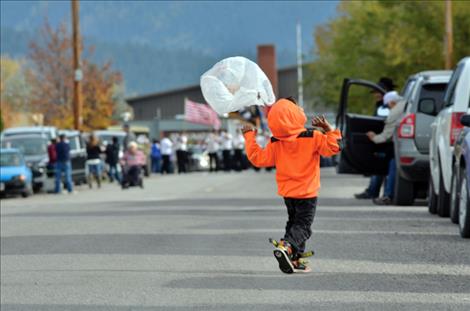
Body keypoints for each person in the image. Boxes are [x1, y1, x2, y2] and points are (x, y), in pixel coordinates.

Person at [242, 97, 342, 272]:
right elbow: (332, 149)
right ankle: (287, 246)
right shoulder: (313, 136)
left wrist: (250, 137)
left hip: (288, 192)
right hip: (307, 192)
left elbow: (258, 159)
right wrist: (329, 130)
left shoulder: (276, 142)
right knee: (303, 226)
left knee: (294, 223)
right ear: (296, 114)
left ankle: (294, 259)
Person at [355, 77, 397, 200]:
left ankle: (380, 192)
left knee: (382, 167)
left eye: (377, 92)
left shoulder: (386, 107)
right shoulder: (381, 106)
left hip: (387, 142)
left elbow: (383, 124)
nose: (375, 95)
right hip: (383, 142)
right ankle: (376, 191)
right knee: (380, 167)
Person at [366, 91, 405, 205]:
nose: (388, 107)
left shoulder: (395, 112)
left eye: (388, 105)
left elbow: (387, 135)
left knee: (392, 165)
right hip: (404, 144)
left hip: (399, 146)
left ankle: (388, 195)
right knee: (392, 164)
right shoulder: (405, 105)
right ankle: (388, 194)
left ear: (392, 102)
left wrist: (374, 137)